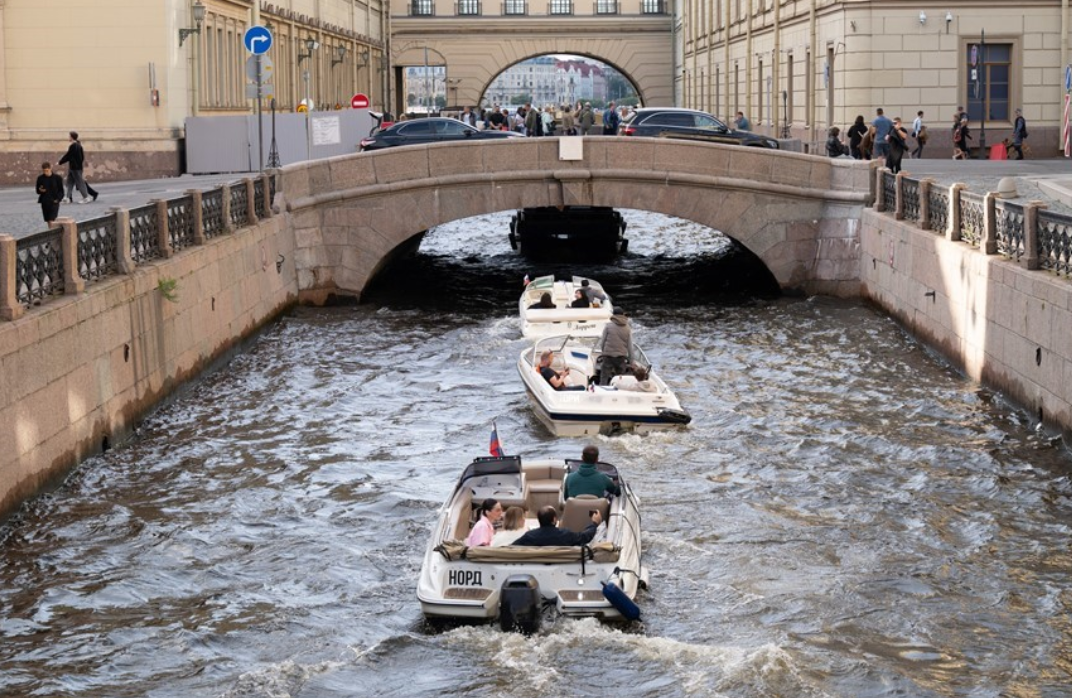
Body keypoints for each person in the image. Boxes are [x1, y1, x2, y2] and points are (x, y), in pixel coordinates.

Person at [511, 505, 601, 547]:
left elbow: (511, 548)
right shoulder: (565, 534)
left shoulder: (529, 536)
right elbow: (585, 537)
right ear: (554, 520)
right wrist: (594, 523)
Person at [58, 131, 99, 204]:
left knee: (80, 182)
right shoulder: (78, 145)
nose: (68, 137)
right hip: (74, 167)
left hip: (75, 168)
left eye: (69, 136)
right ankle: (67, 197)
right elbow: (82, 157)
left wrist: (60, 162)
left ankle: (86, 197)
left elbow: (68, 155)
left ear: (72, 137)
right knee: (69, 182)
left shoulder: (74, 146)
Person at [596, 308, 631, 385]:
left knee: (604, 377)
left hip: (608, 356)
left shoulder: (608, 326)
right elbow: (630, 346)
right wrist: (632, 361)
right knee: (620, 379)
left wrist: (604, 352)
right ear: (623, 315)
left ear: (613, 315)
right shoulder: (628, 328)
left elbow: (602, 342)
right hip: (621, 357)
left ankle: (602, 390)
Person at [35, 162, 65, 227]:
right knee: (48, 220)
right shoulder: (40, 178)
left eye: (47, 170)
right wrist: (41, 190)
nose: (45, 172)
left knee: (52, 219)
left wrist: (58, 199)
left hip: (54, 201)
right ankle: (51, 230)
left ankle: (52, 231)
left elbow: (61, 191)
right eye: (44, 171)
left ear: (50, 169)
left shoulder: (57, 178)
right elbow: (37, 191)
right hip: (45, 201)